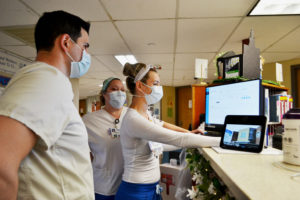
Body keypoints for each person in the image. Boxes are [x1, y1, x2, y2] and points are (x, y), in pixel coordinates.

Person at [0, 11, 94, 200]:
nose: (85, 54)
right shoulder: (46, 80)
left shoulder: (49, 82)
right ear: (66, 42)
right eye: (84, 46)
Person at [115, 63, 221, 200]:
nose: (159, 88)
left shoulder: (146, 115)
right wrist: (222, 141)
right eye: (156, 83)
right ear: (140, 86)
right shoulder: (133, 120)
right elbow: (178, 139)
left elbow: (163, 133)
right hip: (136, 192)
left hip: (152, 189)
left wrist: (190, 134)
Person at [83, 77, 127, 200]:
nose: (120, 92)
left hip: (129, 183)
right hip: (103, 186)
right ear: (104, 93)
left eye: (123, 90)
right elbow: (83, 153)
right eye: (114, 89)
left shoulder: (131, 115)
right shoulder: (89, 120)